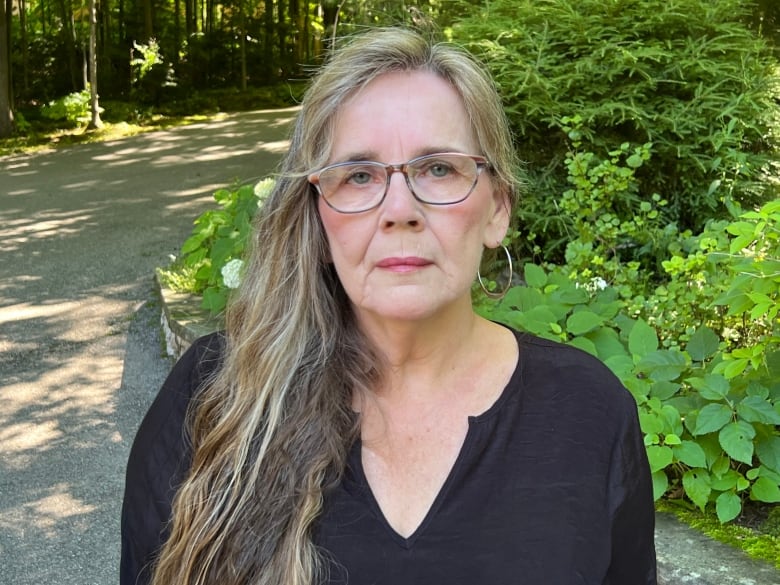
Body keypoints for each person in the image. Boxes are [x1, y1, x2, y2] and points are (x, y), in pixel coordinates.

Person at [121, 27, 657, 585]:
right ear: (317, 215)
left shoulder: (587, 415)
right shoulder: (215, 397)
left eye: (439, 169)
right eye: (358, 175)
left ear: (497, 208)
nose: (399, 209)